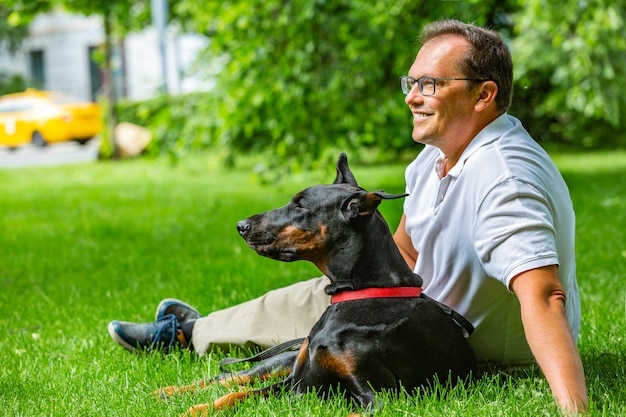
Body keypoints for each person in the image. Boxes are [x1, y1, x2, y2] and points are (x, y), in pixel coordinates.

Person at [108, 19, 588, 413]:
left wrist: (574, 408)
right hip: (408, 306)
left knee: (323, 326)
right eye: (411, 82)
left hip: (450, 344)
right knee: (311, 297)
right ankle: (192, 330)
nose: (411, 97)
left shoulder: (505, 177)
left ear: (483, 95)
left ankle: (194, 332)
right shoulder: (435, 159)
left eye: (428, 84)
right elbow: (404, 251)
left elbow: (544, 295)